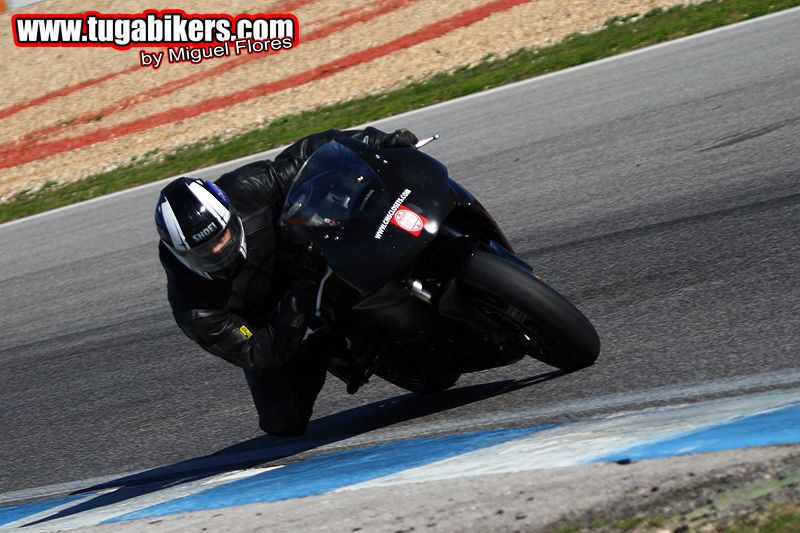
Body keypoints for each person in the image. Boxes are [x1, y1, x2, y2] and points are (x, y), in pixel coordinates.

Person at [155, 127, 418, 437]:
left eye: (221, 238)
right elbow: (256, 352)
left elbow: (307, 157)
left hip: (311, 256)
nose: (218, 253)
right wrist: (293, 305)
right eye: (203, 252)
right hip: (271, 321)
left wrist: (375, 140)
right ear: (181, 253)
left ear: (230, 215)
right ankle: (326, 346)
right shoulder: (193, 306)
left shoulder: (246, 189)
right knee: (281, 420)